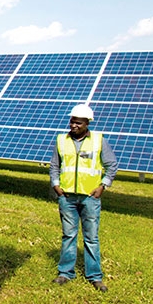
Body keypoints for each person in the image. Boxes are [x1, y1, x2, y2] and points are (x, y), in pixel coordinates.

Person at [50, 104, 118, 293]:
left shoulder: (98, 140)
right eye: (72, 121)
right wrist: (56, 185)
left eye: (78, 122)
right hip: (67, 197)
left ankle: (95, 276)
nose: (73, 125)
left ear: (87, 123)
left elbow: (112, 165)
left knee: (91, 238)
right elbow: (54, 165)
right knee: (68, 235)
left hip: (90, 197)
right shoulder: (61, 140)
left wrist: (103, 186)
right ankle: (65, 273)